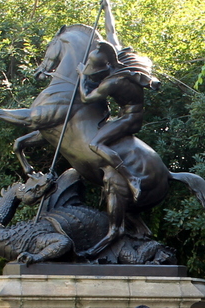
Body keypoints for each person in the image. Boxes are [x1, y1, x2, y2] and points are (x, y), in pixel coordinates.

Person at [77, 0, 157, 200]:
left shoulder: (112, 82)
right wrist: (107, 8)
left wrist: (82, 77)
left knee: (95, 144)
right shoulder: (120, 60)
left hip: (130, 119)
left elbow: (86, 98)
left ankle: (131, 178)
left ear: (104, 66)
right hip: (126, 114)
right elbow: (111, 31)